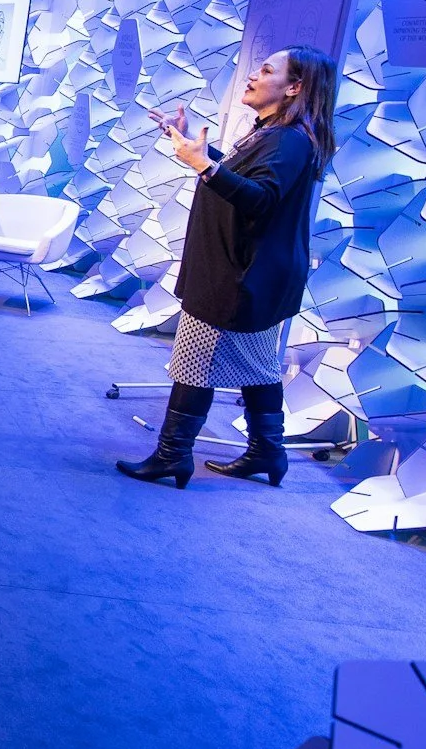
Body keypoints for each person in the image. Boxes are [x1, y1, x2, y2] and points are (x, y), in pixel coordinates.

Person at [119, 47, 338, 489]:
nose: (253, 75)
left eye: (267, 70)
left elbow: (260, 198)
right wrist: (194, 146)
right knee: (258, 365)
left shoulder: (289, 140)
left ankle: (173, 455)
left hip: (240, 275)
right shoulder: (280, 135)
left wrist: (202, 163)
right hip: (257, 274)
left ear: (294, 87)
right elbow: (247, 177)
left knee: (193, 362)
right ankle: (267, 452)